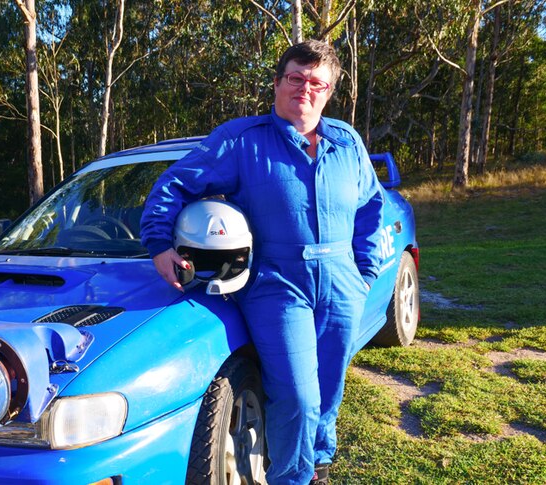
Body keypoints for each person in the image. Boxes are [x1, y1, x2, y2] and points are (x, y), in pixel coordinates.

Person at [140, 40, 385, 485]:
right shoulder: (240, 141)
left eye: (317, 82)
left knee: (328, 385)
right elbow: (174, 183)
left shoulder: (347, 142)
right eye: (295, 78)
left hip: (341, 281)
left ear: (329, 91)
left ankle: (319, 461)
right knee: (295, 394)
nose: (305, 88)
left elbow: (371, 206)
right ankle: (292, 477)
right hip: (277, 283)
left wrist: (364, 270)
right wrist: (160, 243)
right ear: (277, 83)